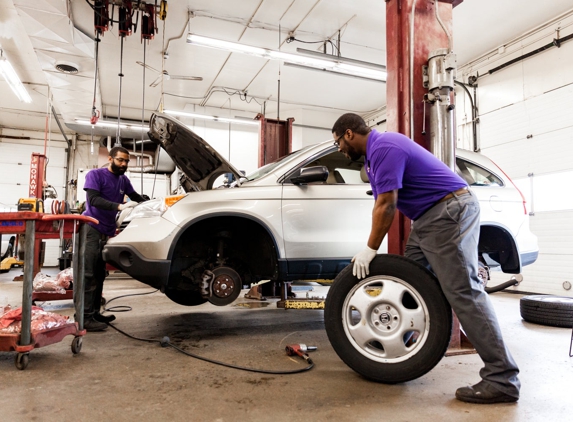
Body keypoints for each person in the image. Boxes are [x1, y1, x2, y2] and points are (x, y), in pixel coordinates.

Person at [331, 113, 520, 404]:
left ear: (348, 133)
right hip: (428, 218)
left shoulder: (384, 148)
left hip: (448, 211)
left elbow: (387, 204)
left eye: (338, 143)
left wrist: (370, 248)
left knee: (463, 291)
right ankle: (406, 352)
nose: (340, 150)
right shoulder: (374, 155)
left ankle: (502, 378)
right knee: (413, 282)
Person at [81, 146, 145, 331]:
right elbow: (93, 199)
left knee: (100, 274)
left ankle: (94, 314)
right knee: (88, 274)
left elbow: (135, 196)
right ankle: (84, 318)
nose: (124, 164)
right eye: (120, 160)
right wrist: (120, 207)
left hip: (106, 231)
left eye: (126, 161)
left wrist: (153, 204)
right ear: (110, 159)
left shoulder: (123, 180)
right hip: (92, 229)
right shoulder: (95, 175)